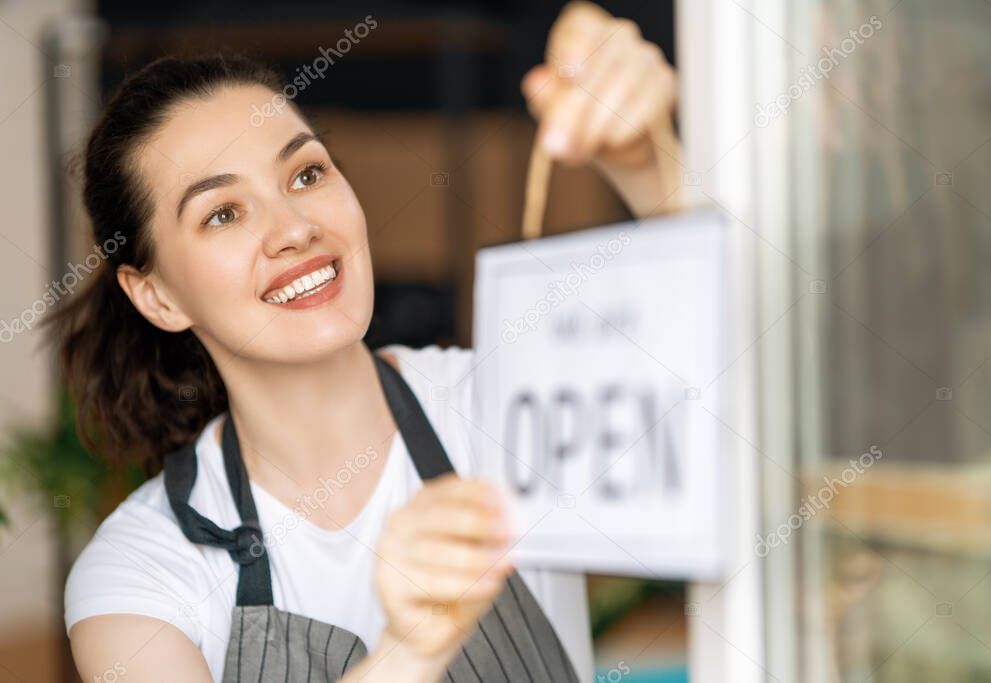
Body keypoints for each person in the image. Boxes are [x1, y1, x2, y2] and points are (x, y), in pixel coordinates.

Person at [54, 2, 680, 681]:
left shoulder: (500, 406)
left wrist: (645, 162)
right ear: (157, 295)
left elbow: (731, 393)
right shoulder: (141, 570)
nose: (294, 227)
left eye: (306, 174)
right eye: (224, 213)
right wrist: (410, 648)